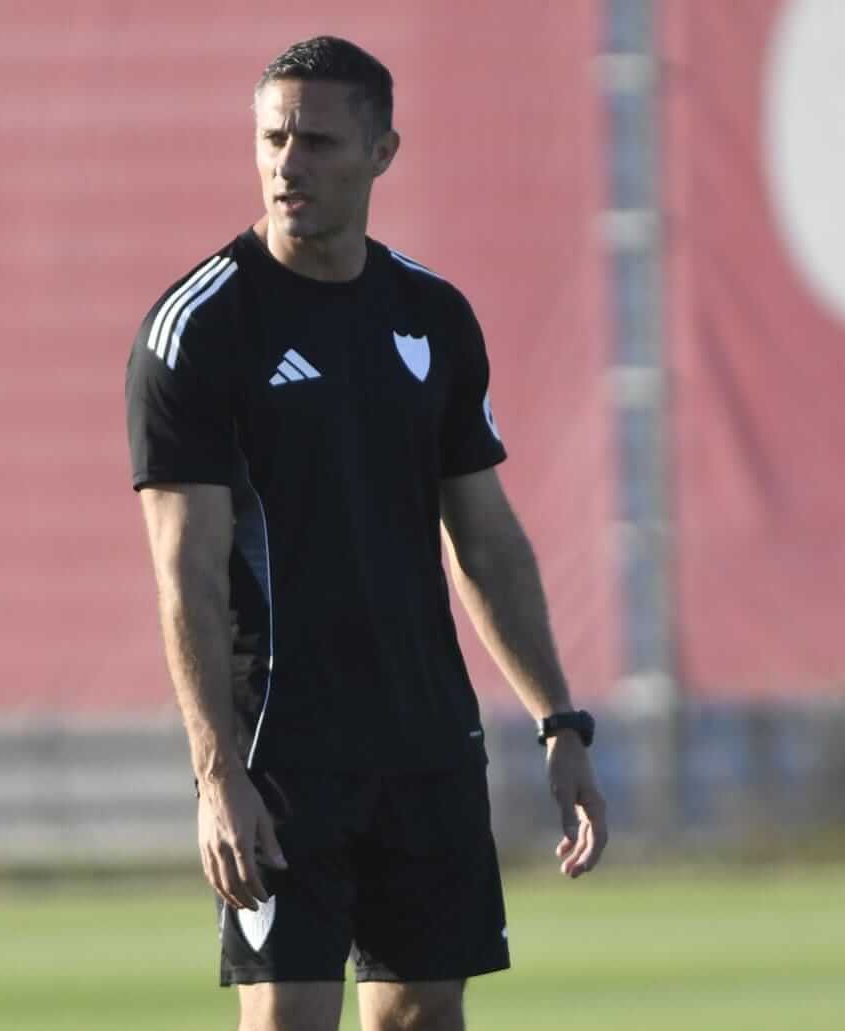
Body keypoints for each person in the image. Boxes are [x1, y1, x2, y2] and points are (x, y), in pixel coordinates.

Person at [125, 37, 608, 1031]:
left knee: (425, 1012)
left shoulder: (431, 315)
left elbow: (485, 537)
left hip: (425, 735)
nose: (286, 164)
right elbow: (185, 575)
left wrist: (556, 719)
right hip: (282, 749)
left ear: (382, 151)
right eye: (271, 138)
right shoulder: (199, 327)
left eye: (315, 140)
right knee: (291, 1016)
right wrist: (216, 775)